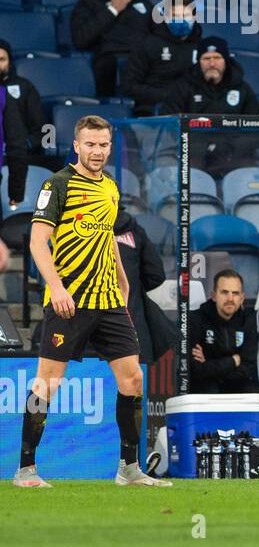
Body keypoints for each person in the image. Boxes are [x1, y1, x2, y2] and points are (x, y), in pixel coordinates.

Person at [14, 116, 172, 488]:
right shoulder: (58, 184)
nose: (97, 151)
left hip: (109, 302)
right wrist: (58, 287)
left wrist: (121, 281)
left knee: (133, 379)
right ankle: (25, 470)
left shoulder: (112, 189)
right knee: (46, 385)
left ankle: (129, 469)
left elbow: (108, 237)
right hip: (69, 301)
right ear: (77, 145)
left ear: (109, 146)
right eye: (90, 144)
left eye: (103, 145)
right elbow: (38, 243)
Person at [162, 36, 259, 174]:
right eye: (206, 58)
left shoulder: (242, 89)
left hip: (233, 156)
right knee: (185, 174)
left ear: (226, 61)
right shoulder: (183, 87)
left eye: (217, 58)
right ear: (198, 61)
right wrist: (203, 147)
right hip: (194, 155)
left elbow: (256, 129)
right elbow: (170, 124)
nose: (212, 63)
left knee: (249, 175)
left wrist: (230, 149)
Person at [70, 0, 152, 98]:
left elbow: (160, 34)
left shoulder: (144, 4)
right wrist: (112, 10)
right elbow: (80, 39)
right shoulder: (89, 4)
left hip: (143, 62)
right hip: (111, 65)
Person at [120, 0, 207, 117]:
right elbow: (128, 86)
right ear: (166, 17)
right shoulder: (148, 44)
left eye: (186, 16)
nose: (180, 20)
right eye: (175, 16)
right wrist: (167, 94)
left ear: (194, 18)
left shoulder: (202, 47)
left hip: (192, 113)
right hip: (152, 112)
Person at [113, 208, 175, 367]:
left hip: (90, 327)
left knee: (93, 387)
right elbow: (156, 274)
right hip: (133, 326)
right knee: (134, 386)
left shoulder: (81, 230)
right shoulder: (134, 230)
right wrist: (131, 288)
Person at [190, 270, 259, 396]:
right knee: (209, 391)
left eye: (235, 293)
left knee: (254, 393)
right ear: (213, 296)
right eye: (224, 292)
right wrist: (233, 361)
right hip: (205, 385)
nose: (230, 298)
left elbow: (247, 367)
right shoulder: (196, 319)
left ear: (242, 298)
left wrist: (209, 364)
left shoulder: (248, 321)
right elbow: (197, 370)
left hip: (236, 383)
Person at [0, 40, 33, 211]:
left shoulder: (21, 88)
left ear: (10, 61)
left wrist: (33, 142)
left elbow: (40, 125)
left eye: (1, 59)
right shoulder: (3, 96)